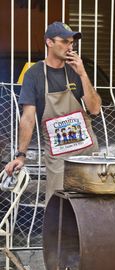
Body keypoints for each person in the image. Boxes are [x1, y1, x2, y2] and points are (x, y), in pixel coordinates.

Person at [5, 21, 101, 203]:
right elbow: (27, 118)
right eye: (64, 41)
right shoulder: (34, 74)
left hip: (87, 153)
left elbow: (95, 108)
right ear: (49, 42)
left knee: (91, 205)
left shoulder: (75, 71)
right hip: (58, 157)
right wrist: (21, 155)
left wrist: (83, 74)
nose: (70, 46)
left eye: (72, 42)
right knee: (59, 206)